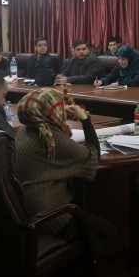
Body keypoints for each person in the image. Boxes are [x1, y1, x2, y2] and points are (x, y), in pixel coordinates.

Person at [14, 87, 116, 255]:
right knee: (108, 234)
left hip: (26, 208)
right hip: (48, 215)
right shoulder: (51, 138)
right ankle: (79, 267)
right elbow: (92, 156)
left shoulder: (25, 130)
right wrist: (85, 120)